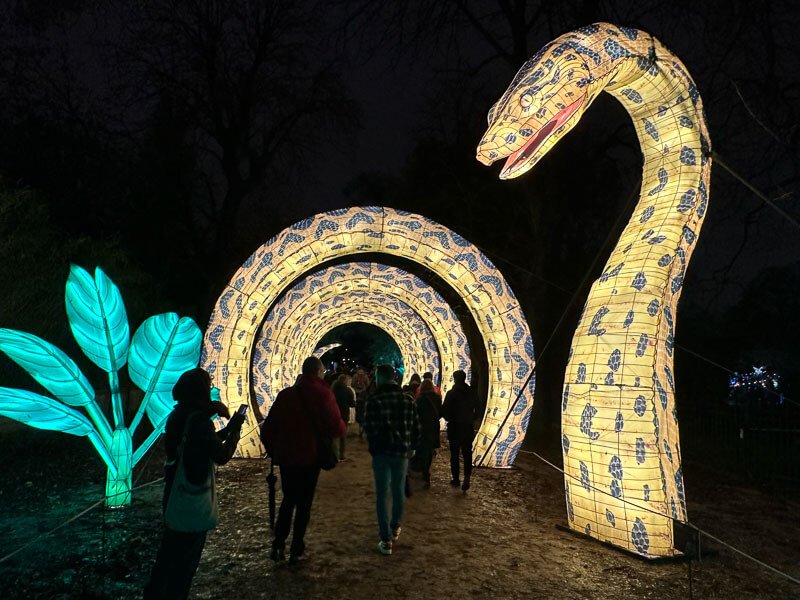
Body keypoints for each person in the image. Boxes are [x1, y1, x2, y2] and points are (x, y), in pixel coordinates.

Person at [144, 368, 243, 600]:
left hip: (175, 491)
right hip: (190, 496)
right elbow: (220, 455)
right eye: (207, 386)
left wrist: (226, 429)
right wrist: (235, 433)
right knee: (184, 561)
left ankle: (154, 594)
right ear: (200, 391)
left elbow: (199, 443)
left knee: (168, 554)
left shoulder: (179, 414)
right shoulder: (198, 420)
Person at [260, 356, 346, 564]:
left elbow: (268, 428)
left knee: (288, 500)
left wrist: (275, 450)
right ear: (317, 372)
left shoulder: (286, 395)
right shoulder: (324, 394)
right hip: (311, 457)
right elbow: (337, 427)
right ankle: (297, 546)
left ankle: (278, 544)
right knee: (304, 504)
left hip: (287, 458)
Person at [363, 364, 420, 556]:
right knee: (397, 491)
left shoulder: (374, 401)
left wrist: (373, 447)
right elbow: (416, 428)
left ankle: (386, 540)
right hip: (401, 452)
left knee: (382, 495)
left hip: (381, 453)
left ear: (379, 378)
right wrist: (411, 447)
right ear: (394, 378)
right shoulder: (408, 400)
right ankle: (395, 528)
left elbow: (368, 429)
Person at [442, 370, 480, 492]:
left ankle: (456, 478)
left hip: (454, 427)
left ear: (455, 379)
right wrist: (471, 418)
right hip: (467, 427)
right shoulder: (472, 393)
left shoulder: (451, 393)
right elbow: (478, 409)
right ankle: (467, 476)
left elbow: (445, 410)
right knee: (467, 453)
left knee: (454, 454)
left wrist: (449, 419)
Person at [414, 379, 442, 486]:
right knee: (430, 449)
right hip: (433, 427)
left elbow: (416, 413)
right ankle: (426, 471)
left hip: (422, 427)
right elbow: (440, 411)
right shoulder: (437, 398)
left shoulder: (420, 399)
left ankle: (424, 471)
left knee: (423, 449)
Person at [331, 374, 356, 459]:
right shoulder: (348, 391)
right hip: (344, 414)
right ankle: (342, 454)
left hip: (333, 413)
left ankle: (334, 454)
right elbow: (352, 404)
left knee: (334, 435)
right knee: (342, 435)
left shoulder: (333, 389)